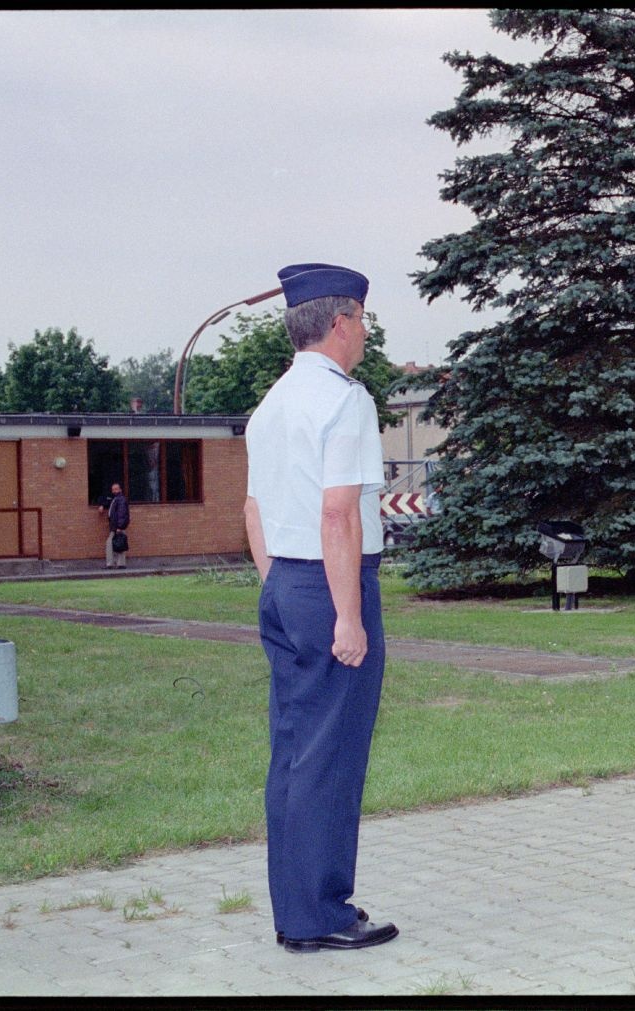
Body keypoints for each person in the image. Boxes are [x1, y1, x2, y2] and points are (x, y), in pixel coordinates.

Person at [243, 262, 398, 954]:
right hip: (333, 583)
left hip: (286, 581)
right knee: (330, 754)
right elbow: (339, 513)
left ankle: (300, 907)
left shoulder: (272, 403)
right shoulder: (346, 401)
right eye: (361, 320)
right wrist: (346, 614)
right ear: (339, 322)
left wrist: (280, 582)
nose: (364, 333)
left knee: (296, 751)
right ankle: (319, 913)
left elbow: (253, 508)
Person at [99, 482, 130, 569]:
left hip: (117, 526)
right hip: (115, 526)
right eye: (113, 489)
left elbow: (122, 513)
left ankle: (111, 564)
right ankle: (120, 564)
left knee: (111, 543)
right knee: (120, 543)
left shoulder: (121, 499)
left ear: (120, 489)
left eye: (116, 489)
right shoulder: (115, 499)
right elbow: (108, 503)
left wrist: (120, 527)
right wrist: (102, 505)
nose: (114, 491)